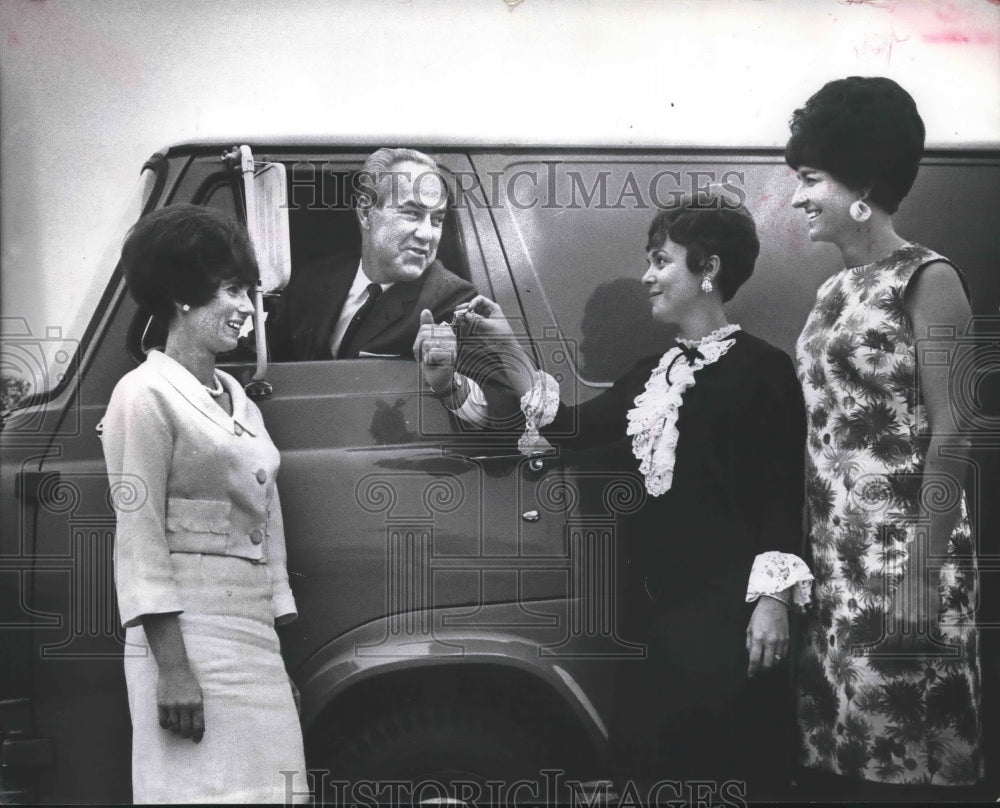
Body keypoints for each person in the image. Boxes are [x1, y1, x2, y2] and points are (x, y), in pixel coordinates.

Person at [418, 194, 813, 799]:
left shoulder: (764, 370)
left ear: (707, 270)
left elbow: (781, 494)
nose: (648, 276)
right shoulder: (651, 372)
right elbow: (572, 428)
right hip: (653, 622)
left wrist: (773, 604)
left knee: (727, 771)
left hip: (726, 622)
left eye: (661, 262)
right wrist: (505, 348)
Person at [786, 76, 983, 799]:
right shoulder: (832, 292)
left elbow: (955, 427)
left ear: (861, 183)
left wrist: (922, 579)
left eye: (810, 180)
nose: (798, 197)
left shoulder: (931, 280)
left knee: (901, 768)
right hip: (836, 568)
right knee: (840, 762)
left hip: (905, 564)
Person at [99, 204, 309, 803]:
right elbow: (138, 539)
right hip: (185, 645)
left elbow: (266, 528)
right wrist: (173, 669)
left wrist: (276, 658)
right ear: (181, 294)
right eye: (233, 290)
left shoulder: (242, 402)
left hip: (255, 644)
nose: (249, 308)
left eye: (252, 292)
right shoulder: (142, 396)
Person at [268, 146, 484, 413]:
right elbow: (261, 358)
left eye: (437, 219)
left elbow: (493, 408)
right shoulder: (312, 280)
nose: (427, 235)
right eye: (412, 214)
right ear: (366, 214)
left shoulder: (453, 300)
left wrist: (448, 383)